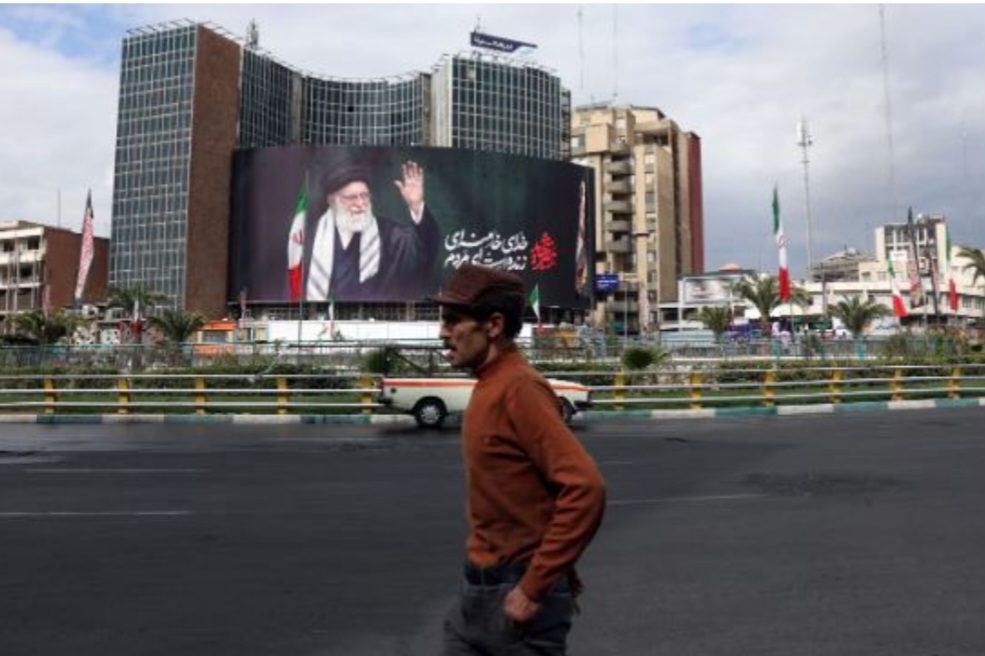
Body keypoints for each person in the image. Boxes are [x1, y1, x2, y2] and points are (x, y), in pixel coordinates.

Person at [433, 263, 606, 655]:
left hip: (516, 598)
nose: (443, 332)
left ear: (492, 325)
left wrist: (535, 584)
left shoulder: (520, 388)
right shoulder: (490, 382)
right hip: (478, 591)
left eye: (453, 321)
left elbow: (585, 488)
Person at [301, 160, 440, 301]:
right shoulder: (310, 239)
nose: (360, 204)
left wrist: (416, 206)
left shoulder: (391, 235)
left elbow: (423, 250)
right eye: (352, 197)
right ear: (331, 201)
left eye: (365, 196)